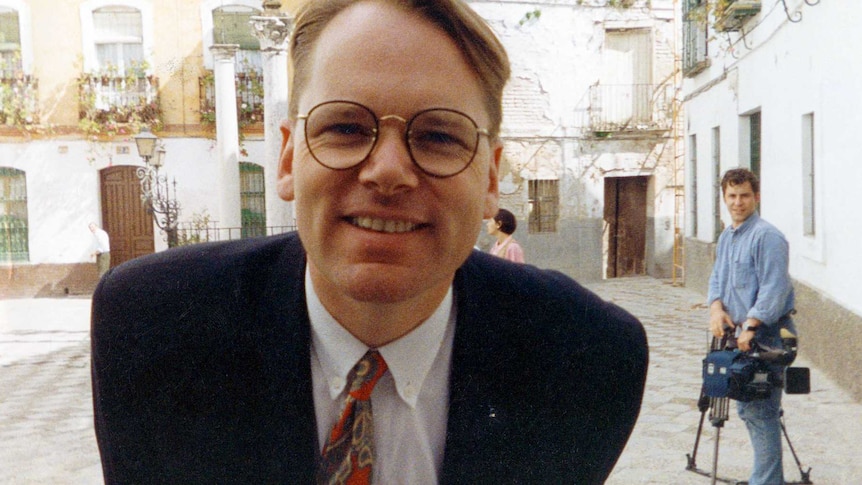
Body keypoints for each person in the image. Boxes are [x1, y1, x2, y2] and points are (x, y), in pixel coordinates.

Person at [90, 1, 648, 483]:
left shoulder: (588, 357)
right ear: (288, 159)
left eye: (437, 136)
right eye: (346, 128)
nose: (387, 171)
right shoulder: (152, 329)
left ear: (491, 180)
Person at [707, 168, 796, 485]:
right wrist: (716, 307)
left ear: (756, 197)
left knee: (760, 414)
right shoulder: (727, 236)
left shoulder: (767, 237)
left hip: (766, 337)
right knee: (749, 410)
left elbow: (775, 288)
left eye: (744, 195)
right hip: (737, 338)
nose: (738, 202)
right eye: (731, 196)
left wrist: (752, 325)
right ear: (724, 199)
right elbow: (717, 276)